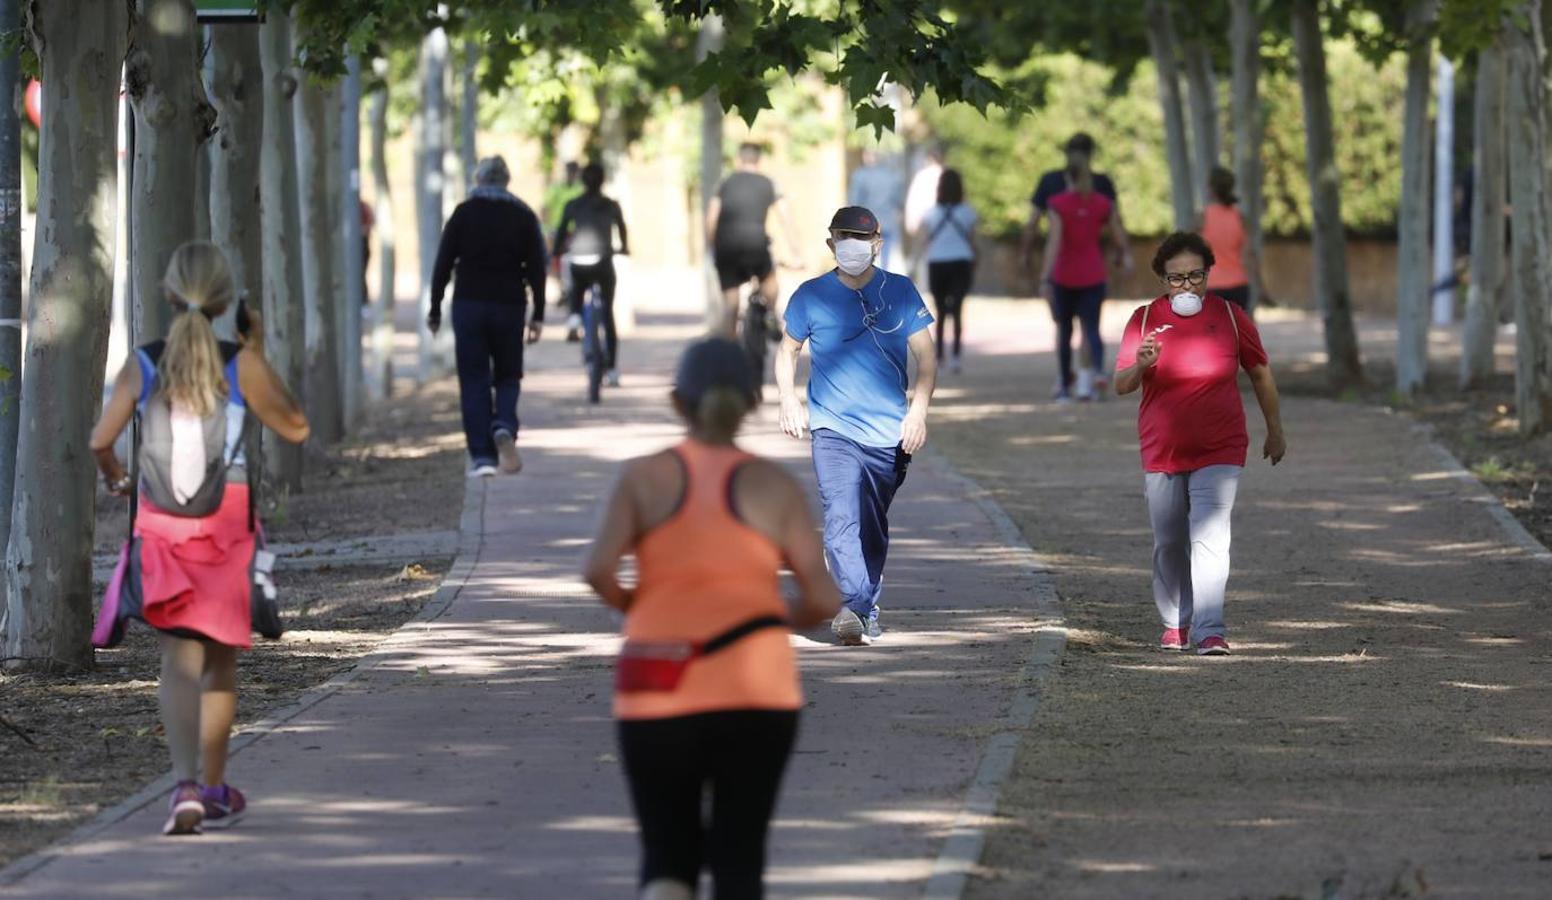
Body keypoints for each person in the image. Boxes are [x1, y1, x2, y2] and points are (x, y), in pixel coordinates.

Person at [583, 339, 841, 900]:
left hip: (655, 683)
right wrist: (774, 615)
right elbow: (823, 599)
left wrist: (639, 610)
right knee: (738, 857)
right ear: (751, 403)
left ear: (679, 402)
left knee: (665, 852)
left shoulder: (642, 479)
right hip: (756, 688)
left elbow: (599, 568)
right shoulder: (775, 487)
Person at [89, 242, 310, 835]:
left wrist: (117, 478)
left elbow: (99, 440)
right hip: (226, 525)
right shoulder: (241, 363)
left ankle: (183, 785)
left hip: (161, 525)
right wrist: (257, 349)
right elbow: (296, 427)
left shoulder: (143, 362)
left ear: (167, 294)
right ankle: (214, 789)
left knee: (177, 660)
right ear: (223, 301)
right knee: (220, 661)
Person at [1113, 232, 1287, 656]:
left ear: (1209, 274)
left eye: (1195, 276)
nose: (1186, 286)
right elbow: (1120, 385)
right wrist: (1140, 363)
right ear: (1162, 280)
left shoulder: (1230, 316)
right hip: (1162, 450)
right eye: (1176, 279)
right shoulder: (1142, 320)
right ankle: (1176, 622)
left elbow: (1261, 374)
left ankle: (1210, 628)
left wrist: (1275, 430)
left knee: (1210, 537)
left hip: (1220, 447)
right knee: (1169, 539)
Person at [775, 206, 937, 646]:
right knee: (841, 515)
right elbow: (787, 350)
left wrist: (918, 410)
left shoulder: (901, 292)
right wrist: (789, 398)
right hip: (832, 428)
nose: (852, 244)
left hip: (890, 432)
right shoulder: (810, 295)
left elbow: (926, 357)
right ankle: (853, 606)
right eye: (843, 236)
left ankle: (864, 605)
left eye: (861, 237)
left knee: (872, 522)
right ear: (831, 243)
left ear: (877, 245)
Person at [428, 155, 547, 478]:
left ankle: (482, 458)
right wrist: (539, 313)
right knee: (508, 374)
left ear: (478, 180)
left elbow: (442, 264)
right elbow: (538, 267)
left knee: (474, 379)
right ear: (506, 181)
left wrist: (435, 308)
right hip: (509, 304)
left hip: (469, 303)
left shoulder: (463, 214)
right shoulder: (523, 215)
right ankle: (504, 423)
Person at [1034, 138, 1130, 403]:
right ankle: (1096, 374)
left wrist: (1045, 276)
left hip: (1064, 275)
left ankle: (1065, 386)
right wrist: (1122, 256)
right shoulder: (1101, 203)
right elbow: (1119, 236)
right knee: (1092, 329)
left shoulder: (1057, 204)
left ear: (1068, 176)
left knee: (1064, 332)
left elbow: (1054, 242)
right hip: (1093, 274)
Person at [707, 142, 803, 339]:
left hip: (727, 246)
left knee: (731, 302)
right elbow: (786, 218)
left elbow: (711, 217)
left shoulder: (725, 182)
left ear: (739, 160)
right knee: (769, 279)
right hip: (756, 243)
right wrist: (796, 253)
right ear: (759, 160)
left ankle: (731, 349)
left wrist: (711, 247)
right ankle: (770, 314)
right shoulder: (769, 183)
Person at [554, 162, 630, 386]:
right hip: (603, 261)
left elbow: (561, 231)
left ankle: (575, 315)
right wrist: (624, 247)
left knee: (576, 287)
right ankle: (613, 371)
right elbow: (622, 228)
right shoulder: (611, 205)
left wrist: (557, 249)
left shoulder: (573, 204)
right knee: (607, 314)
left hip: (578, 259)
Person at [917, 167, 978, 373]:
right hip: (961, 262)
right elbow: (971, 240)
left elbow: (925, 240)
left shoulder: (931, 213)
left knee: (941, 311)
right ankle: (956, 357)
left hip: (937, 262)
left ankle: (940, 357)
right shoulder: (968, 213)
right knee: (958, 310)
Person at [1199, 166, 1267, 312]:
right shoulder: (1240, 218)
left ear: (1210, 188)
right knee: (1239, 333)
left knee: (1213, 334)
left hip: (1212, 288)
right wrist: (1261, 287)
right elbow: (1250, 255)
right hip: (1239, 287)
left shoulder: (1202, 217)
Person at [543, 161, 585, 340]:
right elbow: (545, 208)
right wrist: (546, 229)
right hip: (558, 230)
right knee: (555, 259)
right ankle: (561, 286)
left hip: (576, 232)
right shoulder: (556, 189)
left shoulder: (580, 189)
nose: (571, 175)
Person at [847, 146, 905, 270]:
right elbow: (898, 199)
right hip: (888, 220)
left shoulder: (860, 175)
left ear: (867, 157)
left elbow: (854, 200)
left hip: (867, 222)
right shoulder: (892, 175)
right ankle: (884, 277)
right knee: (886, 253)